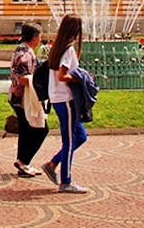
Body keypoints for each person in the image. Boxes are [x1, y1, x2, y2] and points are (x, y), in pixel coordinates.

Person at [40, 14, 89, 193]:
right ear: (75, 30)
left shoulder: (56, 48)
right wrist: (78, 79)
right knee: (69, 141)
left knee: (81, 136)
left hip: (58, 98)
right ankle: (66, 182)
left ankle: (52, 164)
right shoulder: (67, 50)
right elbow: (62, 76)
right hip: (65, 99)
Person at [8, 23, 48, 177]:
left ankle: (23, 164)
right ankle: (24, 161)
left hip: (18, 97)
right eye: (40, 36)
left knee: (26, 130)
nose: (40, 40)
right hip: (23, 98)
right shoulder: (25, 53)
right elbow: (23, 78)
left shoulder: (23, 50)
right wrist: (38, 81)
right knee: (41, 130)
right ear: (34, 37)